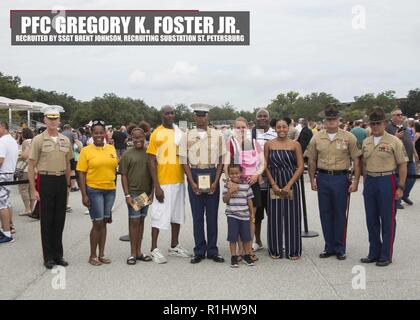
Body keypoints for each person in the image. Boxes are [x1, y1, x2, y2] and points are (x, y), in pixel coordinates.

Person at [306, 104, 361, 260]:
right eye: (328, 119)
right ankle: (328, 246)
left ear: (338, 120)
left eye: (334, 119)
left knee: (339, 213)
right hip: (322, 177)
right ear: (324, 120)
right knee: (325, 213)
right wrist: (312, 179)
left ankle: (340, 246)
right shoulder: (316, 137)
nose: (331, 121)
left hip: (340, 178)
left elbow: (357, 160)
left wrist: (356, 181)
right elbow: (312, 160)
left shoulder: (349, 137)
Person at [361, 107, 408, 267]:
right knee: (371, 219)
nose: (375, 126)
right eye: (372, 123)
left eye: (378, 123)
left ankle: (386, 254)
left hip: (387, 180)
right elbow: (364, 163)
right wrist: (365, 184)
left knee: (387, 219)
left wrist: (401, 187)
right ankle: (374, 251)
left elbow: (402, 165)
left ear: (384, 123)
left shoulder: (394, 141)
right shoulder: (366, 141)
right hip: (371, 181)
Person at [180, 103, 226, 264]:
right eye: (198, 115)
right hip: (195, 173)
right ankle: (199, 250)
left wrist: (216, 181)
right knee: (197, 216)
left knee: (212, 216)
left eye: (204, 115)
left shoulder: (218, 135)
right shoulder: (186, 135)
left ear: (208, 117)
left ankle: (212, 250)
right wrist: (191, 182)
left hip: (212, 173)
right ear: (194, 116)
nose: (201, 118)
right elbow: (183, 160)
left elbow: (221, 159)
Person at [28, 106, 72, 268]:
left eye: (56, 118)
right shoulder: (38, 140)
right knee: (46, 220)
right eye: (50, 118)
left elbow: (68, 164)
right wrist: (33, 189)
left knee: (60, 219)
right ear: (44, 120)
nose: (53, 121)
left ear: (60, 120)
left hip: (61, 180)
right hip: (45, 180)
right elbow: (31, 165)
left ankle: (58, 255)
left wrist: (68, 186)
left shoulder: (65, 140)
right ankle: (48, 257)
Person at [147, 105, 190, 264]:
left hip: (178, 180)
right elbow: (151, 160)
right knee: (158, 215)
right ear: (162, 115)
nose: (170, 115)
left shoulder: (179, 132)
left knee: (177, 215)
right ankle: (154, 249)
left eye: (172, 113)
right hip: (163, 182)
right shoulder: (156, 133)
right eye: (167, 113)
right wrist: (156, 186)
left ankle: (174, 245)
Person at [77, 119, 118, 266]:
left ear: (105, 133)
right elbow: (81, 173)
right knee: (97, 223)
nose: (99, 135)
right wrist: (84, 194)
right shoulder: (86, 151)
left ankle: (101, 254)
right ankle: (92, 255)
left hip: (110, 190)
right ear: (91, 134)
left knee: (104, 223)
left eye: (101, 132)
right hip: (94, 190)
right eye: (96, 133)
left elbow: (114, 169)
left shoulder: (111, 149)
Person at [226, 117, 265, 262]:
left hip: (253, 184)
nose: (241, 130)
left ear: (247, 128)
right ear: (234, 128)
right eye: (238, 127)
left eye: (243, 127)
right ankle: (240, 250)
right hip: (238, 185)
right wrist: (230, 181)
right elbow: (226, 164)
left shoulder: (255, 143)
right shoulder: (231, 143)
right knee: (238, 216)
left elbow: (263, 162)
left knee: (251, 217)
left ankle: (248, 249)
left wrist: (257, 174)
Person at [264, 118, 304, 259]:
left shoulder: (295, 145)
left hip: (291, 182)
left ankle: (293, 250)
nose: (281, 129)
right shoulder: (269, 144)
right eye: (278, 127)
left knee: (292, 216)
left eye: (284, 127)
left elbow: (300, 167)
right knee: (274, 217)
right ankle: (275, 249)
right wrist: (274, 185)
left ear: (289, 128)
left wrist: (288, 185)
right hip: (274, 182)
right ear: (275, 128)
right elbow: (265, 165)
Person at [120, 127, 153, 265]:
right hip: (133, 193)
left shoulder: (149, 153)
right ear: (130, 138)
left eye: (140, 137)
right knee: (134, 221)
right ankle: (132, 253)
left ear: (145, 136)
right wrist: (127, 194)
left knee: (141, 221)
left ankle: (139, 252)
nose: (138, 140)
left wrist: (152, 192)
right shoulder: (127, 154)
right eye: (135, 137)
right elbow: (124, 176)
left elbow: (153, 174)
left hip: (145, 194)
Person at [251, 108, 276, 252]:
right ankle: (257, 241)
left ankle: (273, 240)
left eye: (264, 116)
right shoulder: (250, 135)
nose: (262, 118)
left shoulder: (274, 133)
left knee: (273, 213)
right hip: (256, 181)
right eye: (259, 116)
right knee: (257, 214)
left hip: (272, 179)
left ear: (269, 118)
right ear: (255, 119)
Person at [223, 164, 255, 268]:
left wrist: (252, 213)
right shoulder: (227, 185)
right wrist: (230, 192)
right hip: (232, 215)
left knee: (246, 237)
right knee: (232, 237)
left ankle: (246, 254)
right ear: (229, 174)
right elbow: (224, 200)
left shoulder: (246, 185)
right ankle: (234, 256)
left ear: (241, 173)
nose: (234, 175)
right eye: (231, 174)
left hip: (245, 216)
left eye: (236, 173)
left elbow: (249, 199)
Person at [386, 108, 416, 208]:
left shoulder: (404, 126)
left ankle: (405, 195)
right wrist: (395, 136)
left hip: (410, 156)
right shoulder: (388, 127)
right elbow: (386, 143)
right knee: (398, 179)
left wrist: (415, 153)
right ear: (392, 117)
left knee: (412, 176)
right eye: (398, 115)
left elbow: (410, 140)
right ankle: (397, 200)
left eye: (401, 114)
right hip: (398, 158)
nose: (400, 116)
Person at [0, 120, 19, 244]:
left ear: (2, 127)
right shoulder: (12, 140)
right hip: (9, 173)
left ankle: (7, 233)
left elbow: (0, 160)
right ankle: (9, 227)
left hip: (2, 174)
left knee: (2, 205)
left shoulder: (2, 141)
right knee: (7, 203)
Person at [17, 128, 34, 216]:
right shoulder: (34, 141)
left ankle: (27, 209)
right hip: (34, 169)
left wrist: (19, 157)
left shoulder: (25, 142)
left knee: (23, 189)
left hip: (25, 169)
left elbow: (25, 155)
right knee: (31, 189)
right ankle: (31, 208)